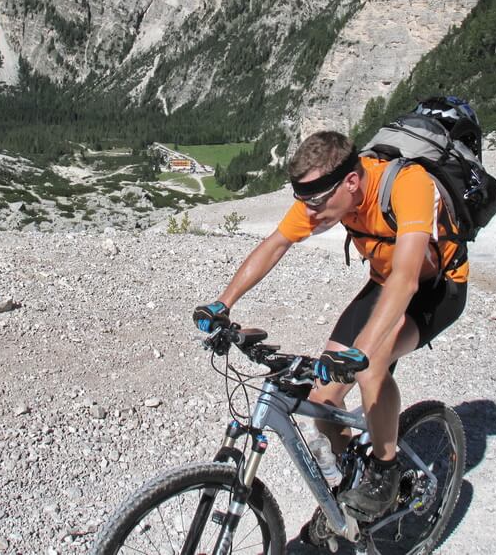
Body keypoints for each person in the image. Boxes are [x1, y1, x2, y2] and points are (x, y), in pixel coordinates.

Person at [193, 130, 468, 518]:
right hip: (384, 284)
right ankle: (350, 494)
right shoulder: (322, 197)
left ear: (352, 182)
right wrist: (222, 304)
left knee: (371, 365)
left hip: (435, 289)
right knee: (323, 402)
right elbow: (275, 244)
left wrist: (363, 349)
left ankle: (384, 472)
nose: (309, 212)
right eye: (302, 201)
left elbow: (406, 278)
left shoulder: (408, 185)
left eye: (317, 202)